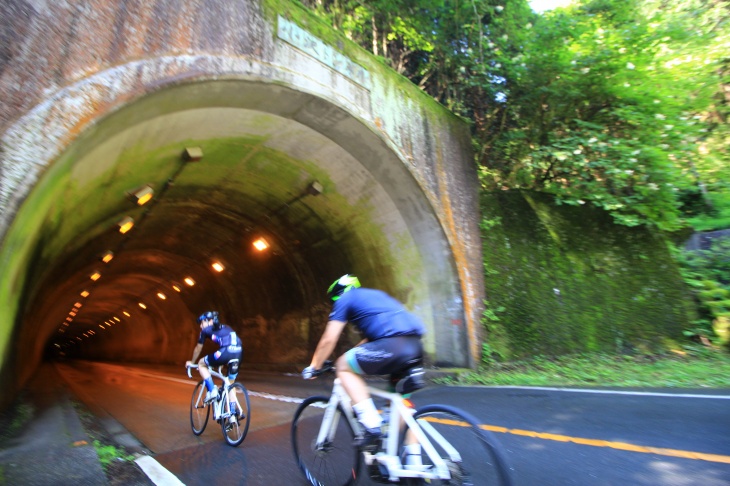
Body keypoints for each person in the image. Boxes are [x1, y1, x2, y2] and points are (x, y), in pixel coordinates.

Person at [303, 274, 426, 460]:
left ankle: (371, 425)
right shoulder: (376, 297)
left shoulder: (346, 298)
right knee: (401, 406)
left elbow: (329, 338)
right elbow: (372, 340)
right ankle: (413, 461)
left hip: (392, 345)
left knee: (342, 365)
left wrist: (314, 365)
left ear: (338, 293)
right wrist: (354, 355)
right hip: (414, 347)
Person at [186, 311, 243, 419]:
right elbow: (229, 343)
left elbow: (198, 348)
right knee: (230, 383)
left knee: (201, 364)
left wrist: (192, 362)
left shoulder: (206, 330)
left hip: (225, 352)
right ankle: (232, 415)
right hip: (239, 352)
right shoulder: (226, 327)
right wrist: (222, 362)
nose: (201, 326)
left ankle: (212, 390)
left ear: (210, 321)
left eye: (202, 322)